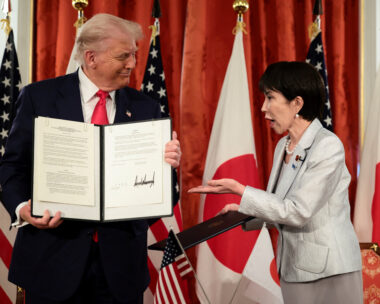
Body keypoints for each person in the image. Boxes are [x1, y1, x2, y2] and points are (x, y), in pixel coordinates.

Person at [0, 13, 181, 304]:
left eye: (134, 55)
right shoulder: (39, 98)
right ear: (91, 57)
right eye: (124, 56)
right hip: (51, 261)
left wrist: (167, 168)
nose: (133, 64)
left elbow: (166, 192)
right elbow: (11, 167)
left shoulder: (146, 108)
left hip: (121, 268)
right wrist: (23, 208)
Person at [189, 61, 363, 304]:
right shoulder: (283, 146)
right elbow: (280, 205)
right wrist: (244, 213)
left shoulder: (327, 146)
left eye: (270, 98)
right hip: (292, 267)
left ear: (297, 103)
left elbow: (298, 211)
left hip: (329, 271)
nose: (263, 108)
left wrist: (240, 190)